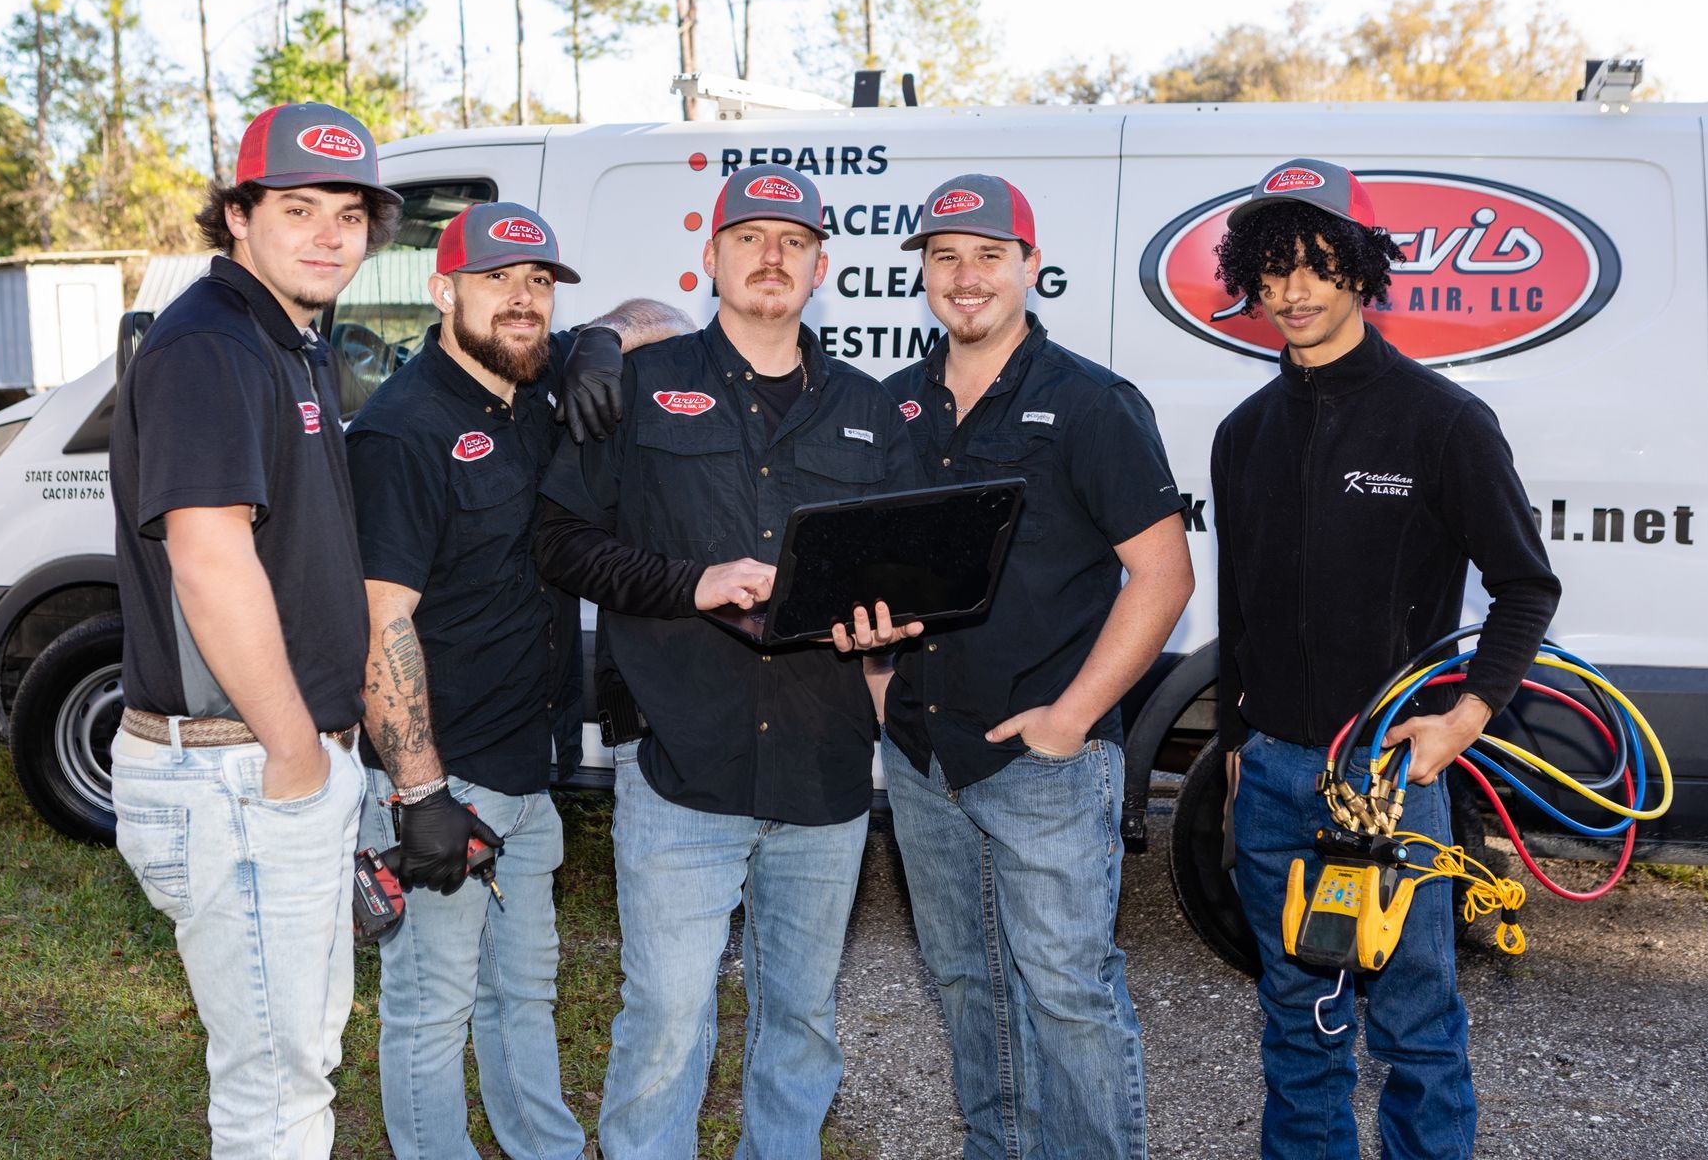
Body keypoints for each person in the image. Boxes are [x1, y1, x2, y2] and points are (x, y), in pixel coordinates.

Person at [533, 164, 922, 1160]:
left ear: (821, 266)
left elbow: (903, 571)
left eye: (793, 242)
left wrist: (887, 624)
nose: (772, 256)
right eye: (750, 237)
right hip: (682, 762)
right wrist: (690, 581)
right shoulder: (641, 389)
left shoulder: (871, 413)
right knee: (665, 1018)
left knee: (801, 1022)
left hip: (823, 770)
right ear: (711, 257)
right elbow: (561, 538)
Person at [1210, 158, 1562, 1160]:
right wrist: (1236, 745)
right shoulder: (1243, 435)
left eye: (1320, 263)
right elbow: (1239, 607)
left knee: (1413, 1027)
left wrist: (1462, 719)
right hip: (1276, 773)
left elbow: (1526, 587)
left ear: (1364, 267)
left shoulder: (1442, 420)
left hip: (1393, 778)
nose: (1295, 291)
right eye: (1273, 268)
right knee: (1297, 1022)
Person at [344, 201, 690, 1160]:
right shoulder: (401, 432)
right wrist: (423, 797)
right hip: (446, 778)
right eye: (498, 279)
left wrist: (606, 344)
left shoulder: (534, 388)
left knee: (523, 994)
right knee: (431, 1008)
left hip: (532, 772)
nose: (523, 299)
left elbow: (658, 313)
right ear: (442, 289)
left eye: (539, 281)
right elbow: (383, 626)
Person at [874, 174, 1193, 1160]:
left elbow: (1164, 573)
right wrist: (878, 685)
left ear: (1028, 268)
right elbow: (864, 561)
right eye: (944, 256)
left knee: (1063, 987)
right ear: (923, 272)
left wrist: (1072, 715)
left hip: (1045, 759)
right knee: (966, 977)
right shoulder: (893, 405)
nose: (965, 276)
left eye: (987, 255)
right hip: (926, 756)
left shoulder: (1089, 402)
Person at [107, 102, 403, 1156]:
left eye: (350, 212)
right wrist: (291, 750)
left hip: (270, 771)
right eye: (297, 207)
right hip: (239, 774)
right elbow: (208, 554)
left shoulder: (293, 343)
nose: (329, 232)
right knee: (274, 1097)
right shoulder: (214, 346)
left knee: (293, 1072)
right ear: (238, 214)